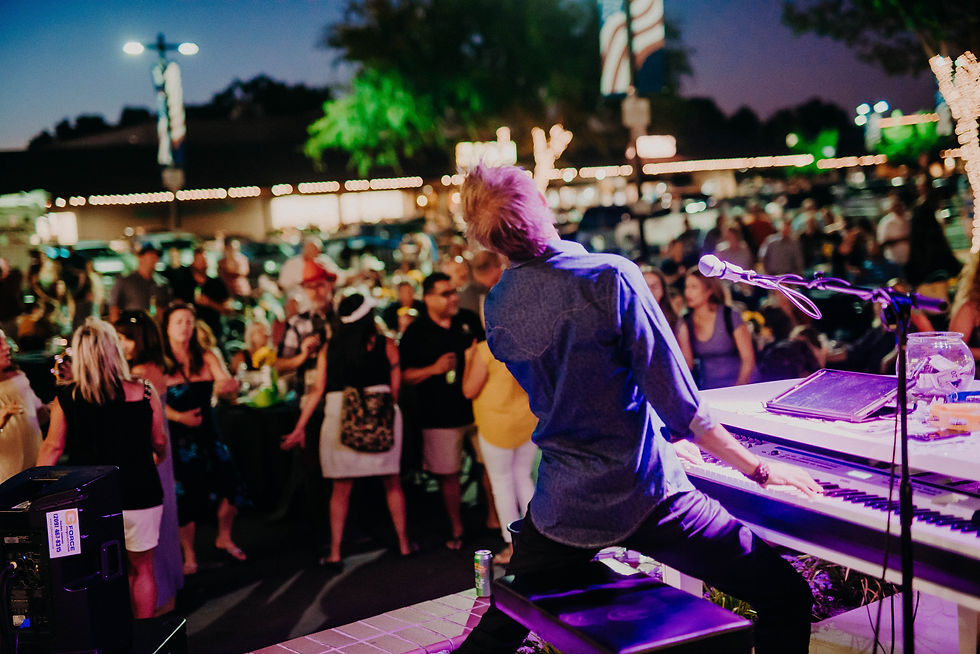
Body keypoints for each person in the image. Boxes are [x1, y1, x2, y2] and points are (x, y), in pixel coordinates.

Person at [455, 164, 819, 654]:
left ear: (489, 241)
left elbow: (578, 391)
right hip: (648, 496)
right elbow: (685, 410)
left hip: (564, 503)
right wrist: (760, 470)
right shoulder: (610, 277)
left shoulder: (498, 303)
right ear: (541, 207)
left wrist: (655, 439)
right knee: (787, 596)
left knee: (502, 625)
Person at [36, 318, 167, 619]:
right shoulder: (145, 392)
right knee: (142, 570)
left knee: (92, 573)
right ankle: (144, 639)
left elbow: (52, 449)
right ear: (115, 350)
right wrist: (152, 458)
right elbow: (160, 443)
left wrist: (37, 494)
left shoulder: (66, 398)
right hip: (140, 492)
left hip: (88, 499)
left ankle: (102, 639)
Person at [282, 294, 412, 567]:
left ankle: (335, 552)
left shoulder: (330, 347)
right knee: (392, 482)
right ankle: (403, 543)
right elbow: (396, 386)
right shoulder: (386, 344)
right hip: (380, 415)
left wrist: (299, 427)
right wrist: (382, 411)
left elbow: (317, 390)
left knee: (340, 489)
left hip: (339, 418)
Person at [399, 272, 483, 550]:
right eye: (445, 294)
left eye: (453, 291)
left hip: (478, 409)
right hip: (439, 415)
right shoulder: (416, 332)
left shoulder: (468, 320)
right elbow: (404, 375)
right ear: (428, 298)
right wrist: (433, 369)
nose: (453, 297)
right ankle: (457, 529)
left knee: (491, 466)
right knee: (448, 473)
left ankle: (493, 521)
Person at [161, 302, 244, 575]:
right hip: (180, 437)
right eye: (178, 322)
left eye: (188, 321)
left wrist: (231, 385)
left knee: (230, 483)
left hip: (209, 431)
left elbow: (224, 384)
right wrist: (179, 417)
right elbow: (154, 401)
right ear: (167, 328)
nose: (185, 326)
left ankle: (225, 537)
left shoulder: (206, 356)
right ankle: (189, 553)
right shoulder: (160, 362)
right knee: (186, 496)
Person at [114, 311, 183, 615]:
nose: (120, 343)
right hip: (155, 449)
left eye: (126, 338)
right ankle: (161, 595)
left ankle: (160, 599)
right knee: (160, 523)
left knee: (157, 527)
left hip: (153, 452)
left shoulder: (143, 373)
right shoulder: (147, 368)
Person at [275, 259, 338, 560]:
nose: (316, 290)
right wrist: (301, 357)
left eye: (320, 284)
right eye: (310, 286)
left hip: (344, 400)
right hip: (311, 402)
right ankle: (320, 533)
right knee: (314, 468)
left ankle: (346, 528)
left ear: (331, 285)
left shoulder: (346, 317)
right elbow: (280, 364)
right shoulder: (298, 323)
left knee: (345, 467)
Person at [462, 337, 537, 565]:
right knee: (523, 479)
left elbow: (469, 389)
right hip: (527, 420)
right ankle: (537, 538)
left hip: (497, 425)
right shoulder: (530, 345)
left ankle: (513, 545)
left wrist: (468, 361)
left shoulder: (486, 349)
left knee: (502, 484)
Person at [684, 271, 756, 389]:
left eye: (694, 287)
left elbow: (748, 359)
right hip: (708, 390)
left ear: (709, 291)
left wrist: (739, 388)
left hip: (740, 387)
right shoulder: (686, 322)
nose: (688, 292)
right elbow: (687, 363)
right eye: (686, 287)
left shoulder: (729, 315)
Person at [0, 329, 44, 484]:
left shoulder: (18, 376)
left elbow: (39, 415)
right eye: (0, 344)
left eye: (5, 342)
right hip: (6, 477)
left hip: (33, 468)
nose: (6, 347)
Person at [109, 243, 170, 322]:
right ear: (140, 257)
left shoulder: (162, 283)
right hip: (132, 328)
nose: (155, 258)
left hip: (155, 329)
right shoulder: (125, 281)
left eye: (157, 256)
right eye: (151, 255)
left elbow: (166, 308)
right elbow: (114, 308)